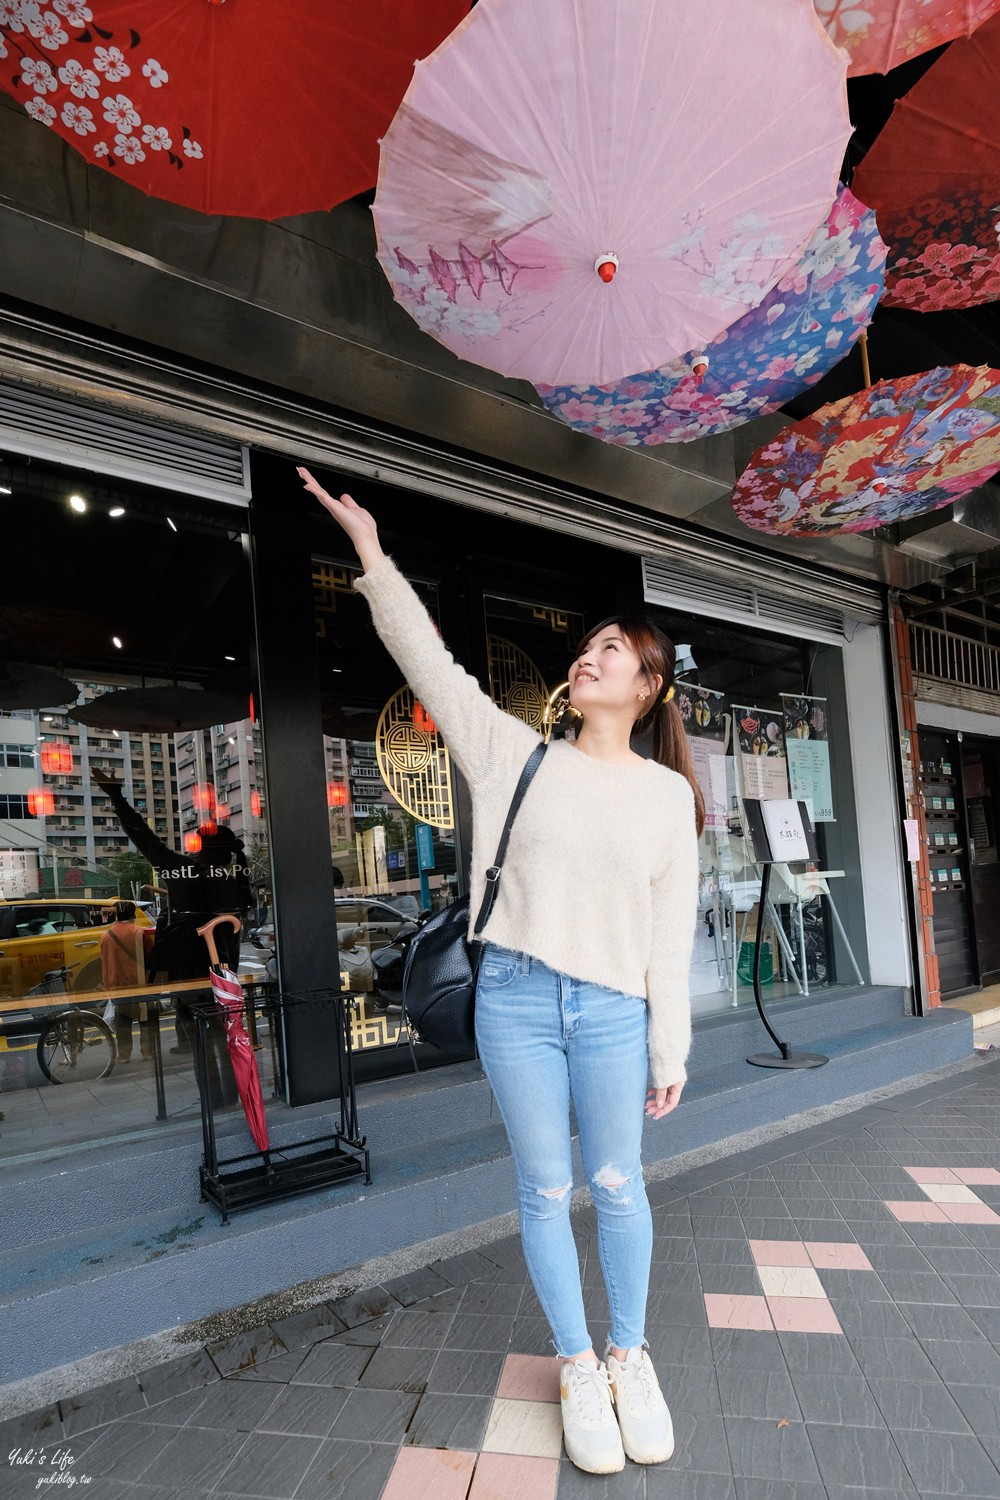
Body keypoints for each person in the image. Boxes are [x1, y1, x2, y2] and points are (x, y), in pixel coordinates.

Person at [299, 466, 703, 1476]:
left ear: (647, 686)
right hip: (515, 1000)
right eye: (590, 646)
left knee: (617, 1184)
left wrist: (670, 1045)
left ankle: (629, 1357)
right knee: (543, 1187)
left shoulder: (664, 799)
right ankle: (575, 1365)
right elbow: (427, 662)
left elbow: (666, 932)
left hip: (612, 1008)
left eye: (614, 648)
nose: (592, 655)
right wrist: (373, 558)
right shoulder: (512, 754)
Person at [92, 768, 251, 1103]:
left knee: (199, 1043)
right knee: (226, 1038)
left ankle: (212, 1099)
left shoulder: (185, 874)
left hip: (189, 980)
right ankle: (232, 1096)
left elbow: (145, 839)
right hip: (226, 979)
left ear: (205, 850)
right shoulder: (233, 883)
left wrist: (117, 798)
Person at [100, 899, 155, 1064]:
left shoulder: (106, 936)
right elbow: (150, 956)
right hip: (139, 982)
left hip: (117, 984)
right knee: (145, 1018)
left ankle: (124, 1055)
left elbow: (104, 961)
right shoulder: (138, 932)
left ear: (116, 915)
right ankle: (147, 1052)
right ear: (133, 914)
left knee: (123, 1020)